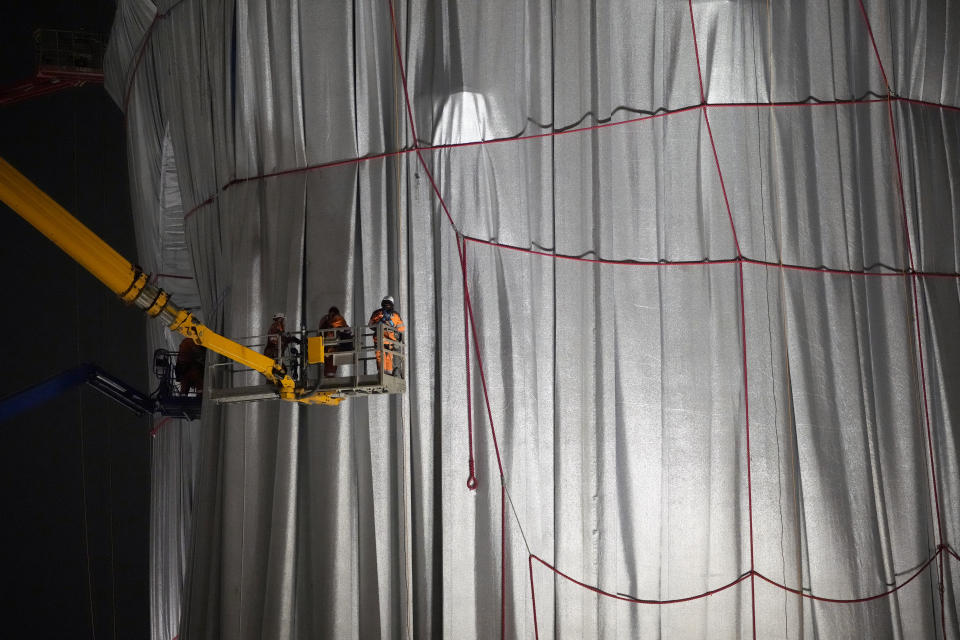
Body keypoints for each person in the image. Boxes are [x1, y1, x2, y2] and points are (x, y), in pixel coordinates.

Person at [368, 295, 405, 375]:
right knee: (387, 356)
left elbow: (370, 325)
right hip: (387, 340)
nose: (387, 306)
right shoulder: (395, 315)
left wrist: (380, 324)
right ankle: (386, 374)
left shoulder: (377, 313)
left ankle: (384, 374)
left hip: (381, 340)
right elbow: (401, 329)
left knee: (383, 356)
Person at [318, 306, 352, 377]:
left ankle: (329, 376)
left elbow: (347, 330)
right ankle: (329, 376)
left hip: (330, 346)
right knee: (330, 361)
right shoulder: (336, 320)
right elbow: (347, 330)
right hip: (330, 346)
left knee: (330, 361)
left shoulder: (327, 319)